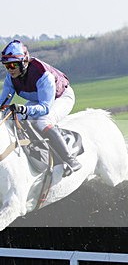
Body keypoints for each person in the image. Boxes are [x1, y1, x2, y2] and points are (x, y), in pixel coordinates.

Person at [0, 40, 82, 174]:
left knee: (43, 121)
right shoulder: (11, 78)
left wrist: (25, 109)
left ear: (24, 62)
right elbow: (2, 103)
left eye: (13, 65)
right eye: (6, 66)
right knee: (15, 118)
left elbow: (45, 108)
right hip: (39, 100)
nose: (10, 69)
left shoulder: (43, 75)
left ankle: (70, 159)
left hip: (60, 98)